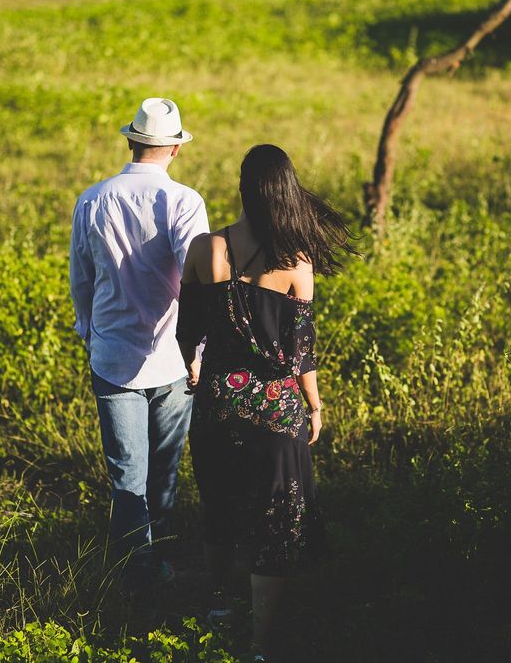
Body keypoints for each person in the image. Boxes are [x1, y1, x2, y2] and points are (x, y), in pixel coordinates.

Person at [176, 144, 356, 661]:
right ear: (285, 193)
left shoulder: (205, 249)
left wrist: (193, 365)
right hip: (276, 412)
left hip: (217, 403)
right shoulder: (296, 262)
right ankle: (259, 644)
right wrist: (315, 406)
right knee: (273, 521)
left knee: (218, 504)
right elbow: (302, 353)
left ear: (241, 189)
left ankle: (218, 605)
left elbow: (187, 331)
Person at [69, 97, 209, 588]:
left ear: (131, 141)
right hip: (173, 358)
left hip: (111, 356)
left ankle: (134, 576)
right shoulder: (184, 202)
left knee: (126, 477)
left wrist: (89, 333)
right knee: (163, 474)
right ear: (175, 149)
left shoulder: (92, 199)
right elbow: (199, 282)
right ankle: (156, 563)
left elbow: (81, 279)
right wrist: (199, 350)